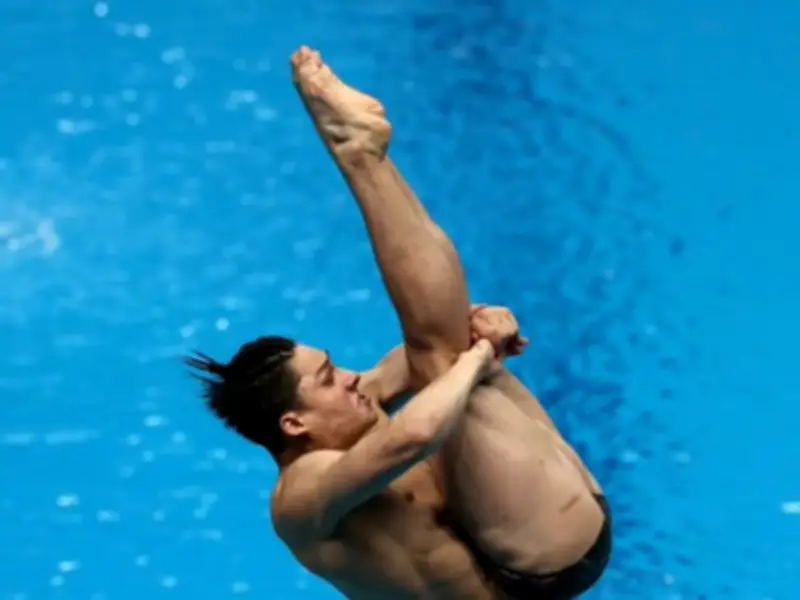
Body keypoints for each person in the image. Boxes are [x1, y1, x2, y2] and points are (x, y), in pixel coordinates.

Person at [187, 46, 611, 600]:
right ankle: (359, 155)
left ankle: (361, 153)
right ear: (294, 424)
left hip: (549, 516)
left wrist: (481, 324)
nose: (349, 379)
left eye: (334, 367)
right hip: (537, 566)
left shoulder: (345, 413)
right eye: (327, 379)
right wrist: (480, 357)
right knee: (445, 361)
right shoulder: (302, 498)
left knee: (443, 347)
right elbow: (412, 436)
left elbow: (417, 347)